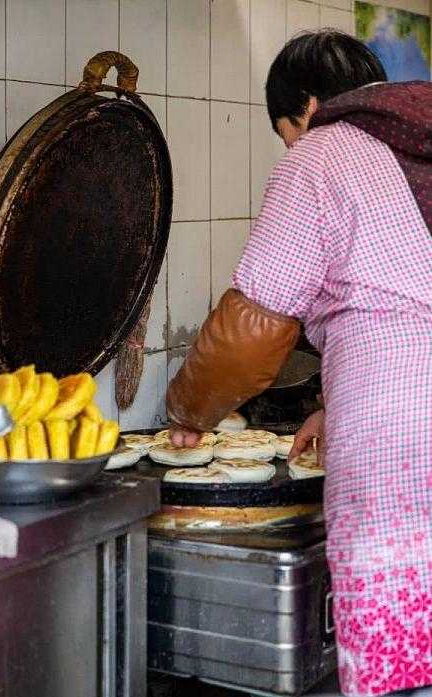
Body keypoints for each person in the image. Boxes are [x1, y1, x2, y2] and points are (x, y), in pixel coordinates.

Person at [166, 31, 431, 697]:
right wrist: (330, 405)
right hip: (395, 402)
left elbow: (256, 324)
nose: (289, 144)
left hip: (399, 440)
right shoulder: (416, 143)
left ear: (306, 106)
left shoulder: (320, 153)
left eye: (285, 131)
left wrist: (190, 413)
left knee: (400, 648)